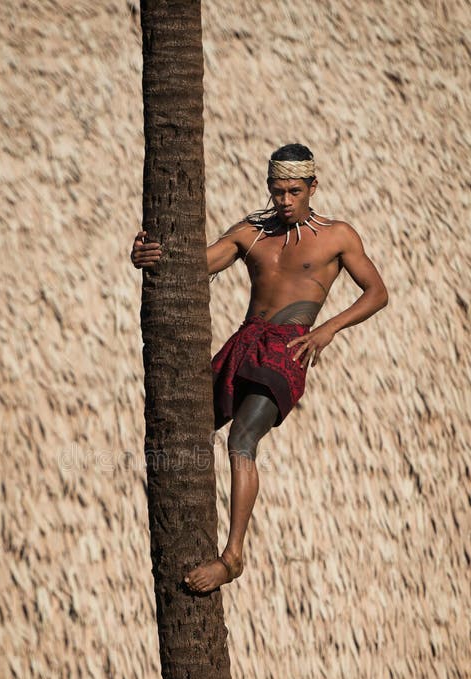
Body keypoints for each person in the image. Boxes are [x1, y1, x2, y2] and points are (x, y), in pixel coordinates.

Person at [131, 143, 388, 593]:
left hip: (288, 348)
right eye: (277, 190)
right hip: (244, 342)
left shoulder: (337, 236)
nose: (284, 200)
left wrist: (327, 329)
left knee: (242, 438)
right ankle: (182, 531)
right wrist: (148, 256)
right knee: (183, 429)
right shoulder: (251, 233)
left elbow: (377, 293)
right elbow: (190, 266)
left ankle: (232, 556)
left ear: (312, 186)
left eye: (294, 191)